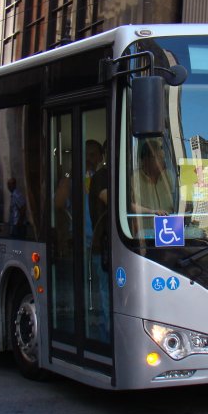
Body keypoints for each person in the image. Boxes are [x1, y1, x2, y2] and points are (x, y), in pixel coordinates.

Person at [88, 142, 110, 342]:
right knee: (105, 288)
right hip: (103, 243)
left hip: (112, 242)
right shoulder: (101, 176)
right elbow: (110, 199)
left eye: (92, 154)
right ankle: (108, 329)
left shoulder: (116, 173)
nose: (89, 159)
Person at [131, 138, 174, 216]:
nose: (163, 162)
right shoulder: (134, 179)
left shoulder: (168, 176)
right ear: (146, 160)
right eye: (159, 158)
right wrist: (152, 212)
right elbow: (127, 205)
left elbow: (176, 201)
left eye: (163, 158)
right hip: (145, 228)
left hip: (170, 227)